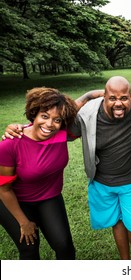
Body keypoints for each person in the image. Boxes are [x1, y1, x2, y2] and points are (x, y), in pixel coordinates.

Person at [3, 76, 131, 260]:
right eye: (112, 97)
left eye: (124, 97)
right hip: (102, 182)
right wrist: (21, 127)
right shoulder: (87, 115)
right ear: (105, 97)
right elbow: (54, 121)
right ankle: (125, 264)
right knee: (116, 223)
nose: (118, 103)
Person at [0, 87, 78, 259]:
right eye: (44, 116)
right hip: (13, 200)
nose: (49, 124)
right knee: (29, 248)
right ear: (34, 113)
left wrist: (98, 93)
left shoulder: (60, 134)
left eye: (56, 120)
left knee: (64, 246)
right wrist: (23, 222)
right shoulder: (10, 144)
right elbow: (4, 190)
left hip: (48, 197)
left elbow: (79, 105)